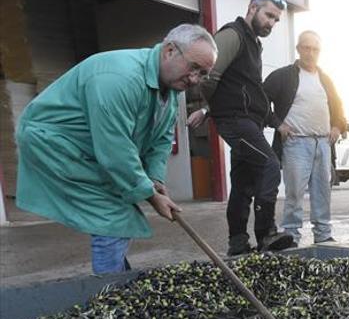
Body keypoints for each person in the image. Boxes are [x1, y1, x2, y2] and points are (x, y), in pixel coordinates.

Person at [15, 24, 216, 274]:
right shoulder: (118, 78)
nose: (195, 79)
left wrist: (154, 178)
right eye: (194, 67)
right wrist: (151, 196)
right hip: (54, 142)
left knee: (120, 206)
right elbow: (115, 150)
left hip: (90, 147)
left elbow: (162, 138)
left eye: (203, 74)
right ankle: (109, 292)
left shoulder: (170, 88)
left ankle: (117, 276)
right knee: (112, 215)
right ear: (170, 51)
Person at [187, 0, 294, 256]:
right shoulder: (233, 35)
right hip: (237, 121)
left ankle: (237, 241)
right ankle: (266, 234)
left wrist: (274, 121)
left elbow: (251, 92)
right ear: (252, 8)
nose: (271, 22)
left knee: (244, 184)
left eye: (276, 19)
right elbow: (207, 76)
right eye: (269, 15)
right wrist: (215, 109)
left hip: (248, 121)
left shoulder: (253, 44)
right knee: (270, 166)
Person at [264, 30, 347, 245]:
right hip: (296, 142)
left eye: (316, 49)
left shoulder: (326, 79)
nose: (311, 53)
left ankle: (323, 234)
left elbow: (338, 106)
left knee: (323, 192)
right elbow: (260, 100)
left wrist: (338, 126)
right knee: (294, 193)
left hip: (323, 142)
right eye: (307, 48)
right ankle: (292, 234)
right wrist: (278, 124)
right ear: (298, 49)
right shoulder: (283, 76)